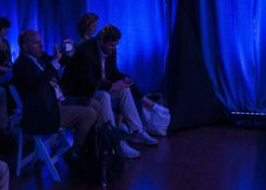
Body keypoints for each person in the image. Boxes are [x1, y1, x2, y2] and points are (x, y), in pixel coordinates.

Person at [62, 25, 159, 159]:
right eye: (111, 45)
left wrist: (122, 78)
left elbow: (113, 72)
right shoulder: (85, 52)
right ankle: (115, 140)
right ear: (101, 41)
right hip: (79, 92)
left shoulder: (110, 51)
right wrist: (112, 85)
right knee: (104, 96)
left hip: (96, 87)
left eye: (115, 45)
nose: (114, 48)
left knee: (124, 90)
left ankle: (137, 131)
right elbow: (87, 81)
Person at [12, 30, 97, 154]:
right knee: (89, 113)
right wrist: (55, 63)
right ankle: (76, 153)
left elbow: (62, 62)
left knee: (94, 103)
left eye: (40, 42)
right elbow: (38, 84)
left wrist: (68, 53)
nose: (41, 45)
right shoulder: (21, 65)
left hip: (58, 100)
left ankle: (96, 147)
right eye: (37, 43)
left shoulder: (40, 58)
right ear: (25, 46)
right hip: (45, 111)